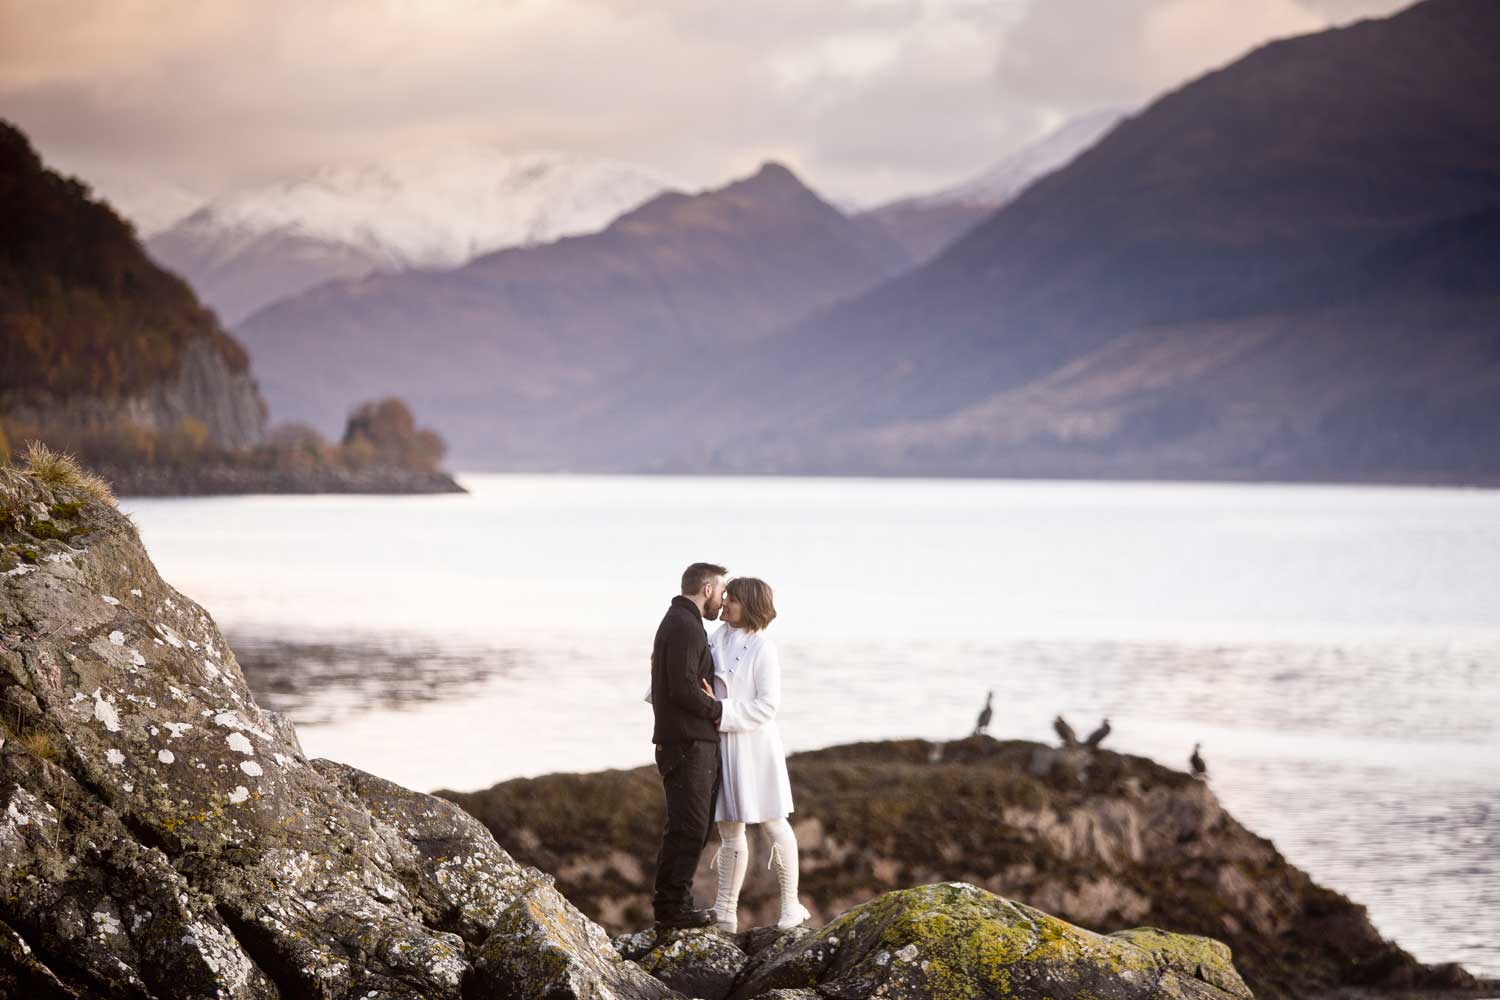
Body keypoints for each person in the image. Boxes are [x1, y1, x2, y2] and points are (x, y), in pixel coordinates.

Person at [708, 576, 809, 933]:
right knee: (729, 829)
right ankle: (725, 912)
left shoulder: (764, 648)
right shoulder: (714, 638)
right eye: (726, 596)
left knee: (773, 822)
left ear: (749, 605)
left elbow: (767, 705)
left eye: (732, 599)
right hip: (722, 745)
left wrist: (720, 711)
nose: (724, 602)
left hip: (755, 746)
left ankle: (791, 904)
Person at [648, 562, 728, 929]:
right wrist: (718, 709)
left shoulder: (682, 622)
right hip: (686, 741)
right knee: (689, 827)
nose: (722, 600)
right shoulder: (684, 625)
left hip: (688, 740)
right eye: (721, 592)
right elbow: (682, 688)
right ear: (707, 589)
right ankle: (672, 909)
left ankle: (675, 903)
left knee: (691, 826)